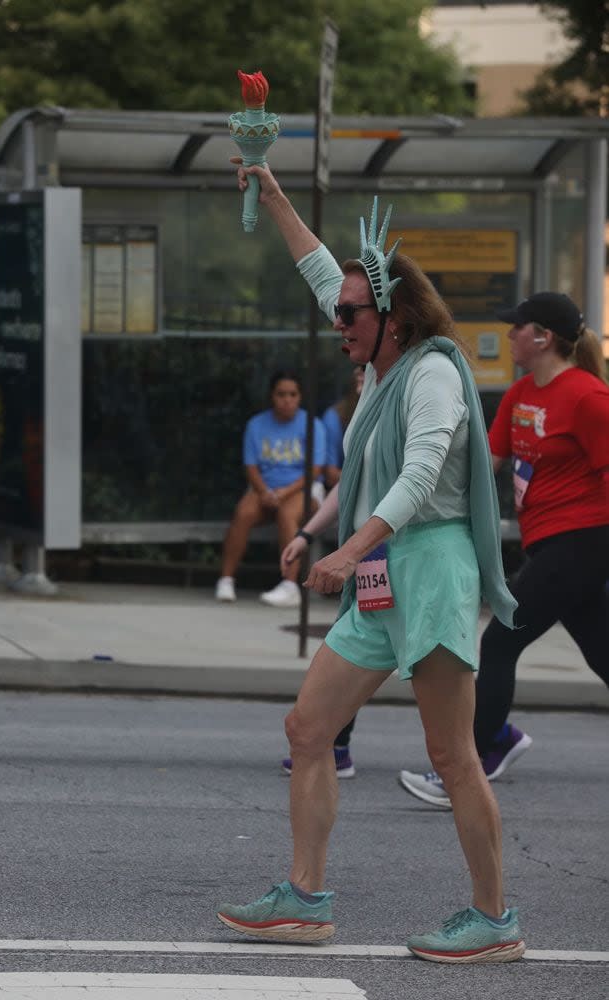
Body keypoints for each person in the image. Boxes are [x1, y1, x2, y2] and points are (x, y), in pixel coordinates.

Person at [216, 162, 525, 964]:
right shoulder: (376, 366)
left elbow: (419, 475)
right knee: (308, 727)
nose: (337, 320)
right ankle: (303, 899)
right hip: (382, 571)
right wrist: (272, 192)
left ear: (393, 315)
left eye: (351, 312)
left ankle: (493, 919)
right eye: (339, 310)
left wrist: (348, 548)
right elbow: (321, 268)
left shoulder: (429, 375)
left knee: (451, 755)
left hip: (428, 566)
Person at [399, 291, 609, 807]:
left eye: (519, 327)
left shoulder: (588, 397)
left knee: (499, 642)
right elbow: (483, 466)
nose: (510, 334)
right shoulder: (520, 396)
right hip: (550, 544)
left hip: (585, 539)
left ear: (544, 337)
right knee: (603, 650)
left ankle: (472, 762)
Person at [281, 366, 365, 779]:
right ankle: (333, 745)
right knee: (349, 646)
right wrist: (306, 533)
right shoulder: (362, 417)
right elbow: (347, 482)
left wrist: (353, 550)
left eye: (368, 372)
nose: (360, 378)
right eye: (357, 374)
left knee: (430, 667)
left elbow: (412, 487)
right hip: (374, 559)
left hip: (412, 557)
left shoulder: (408, 413)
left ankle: (472, 750)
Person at [215, 370, 326, 608]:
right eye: (281, 394)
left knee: (287, 514)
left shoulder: (313, 425)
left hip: (304, 490)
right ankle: (226, 579)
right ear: (271, 397)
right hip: (264, 490)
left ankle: (289, 586)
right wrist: (265, 492)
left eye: (293, 394)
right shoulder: (256, 424)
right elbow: (251, 466)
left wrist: (283, 493)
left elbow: (314, 471)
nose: (287, 399)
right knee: (243, 513)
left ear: (300, 397)